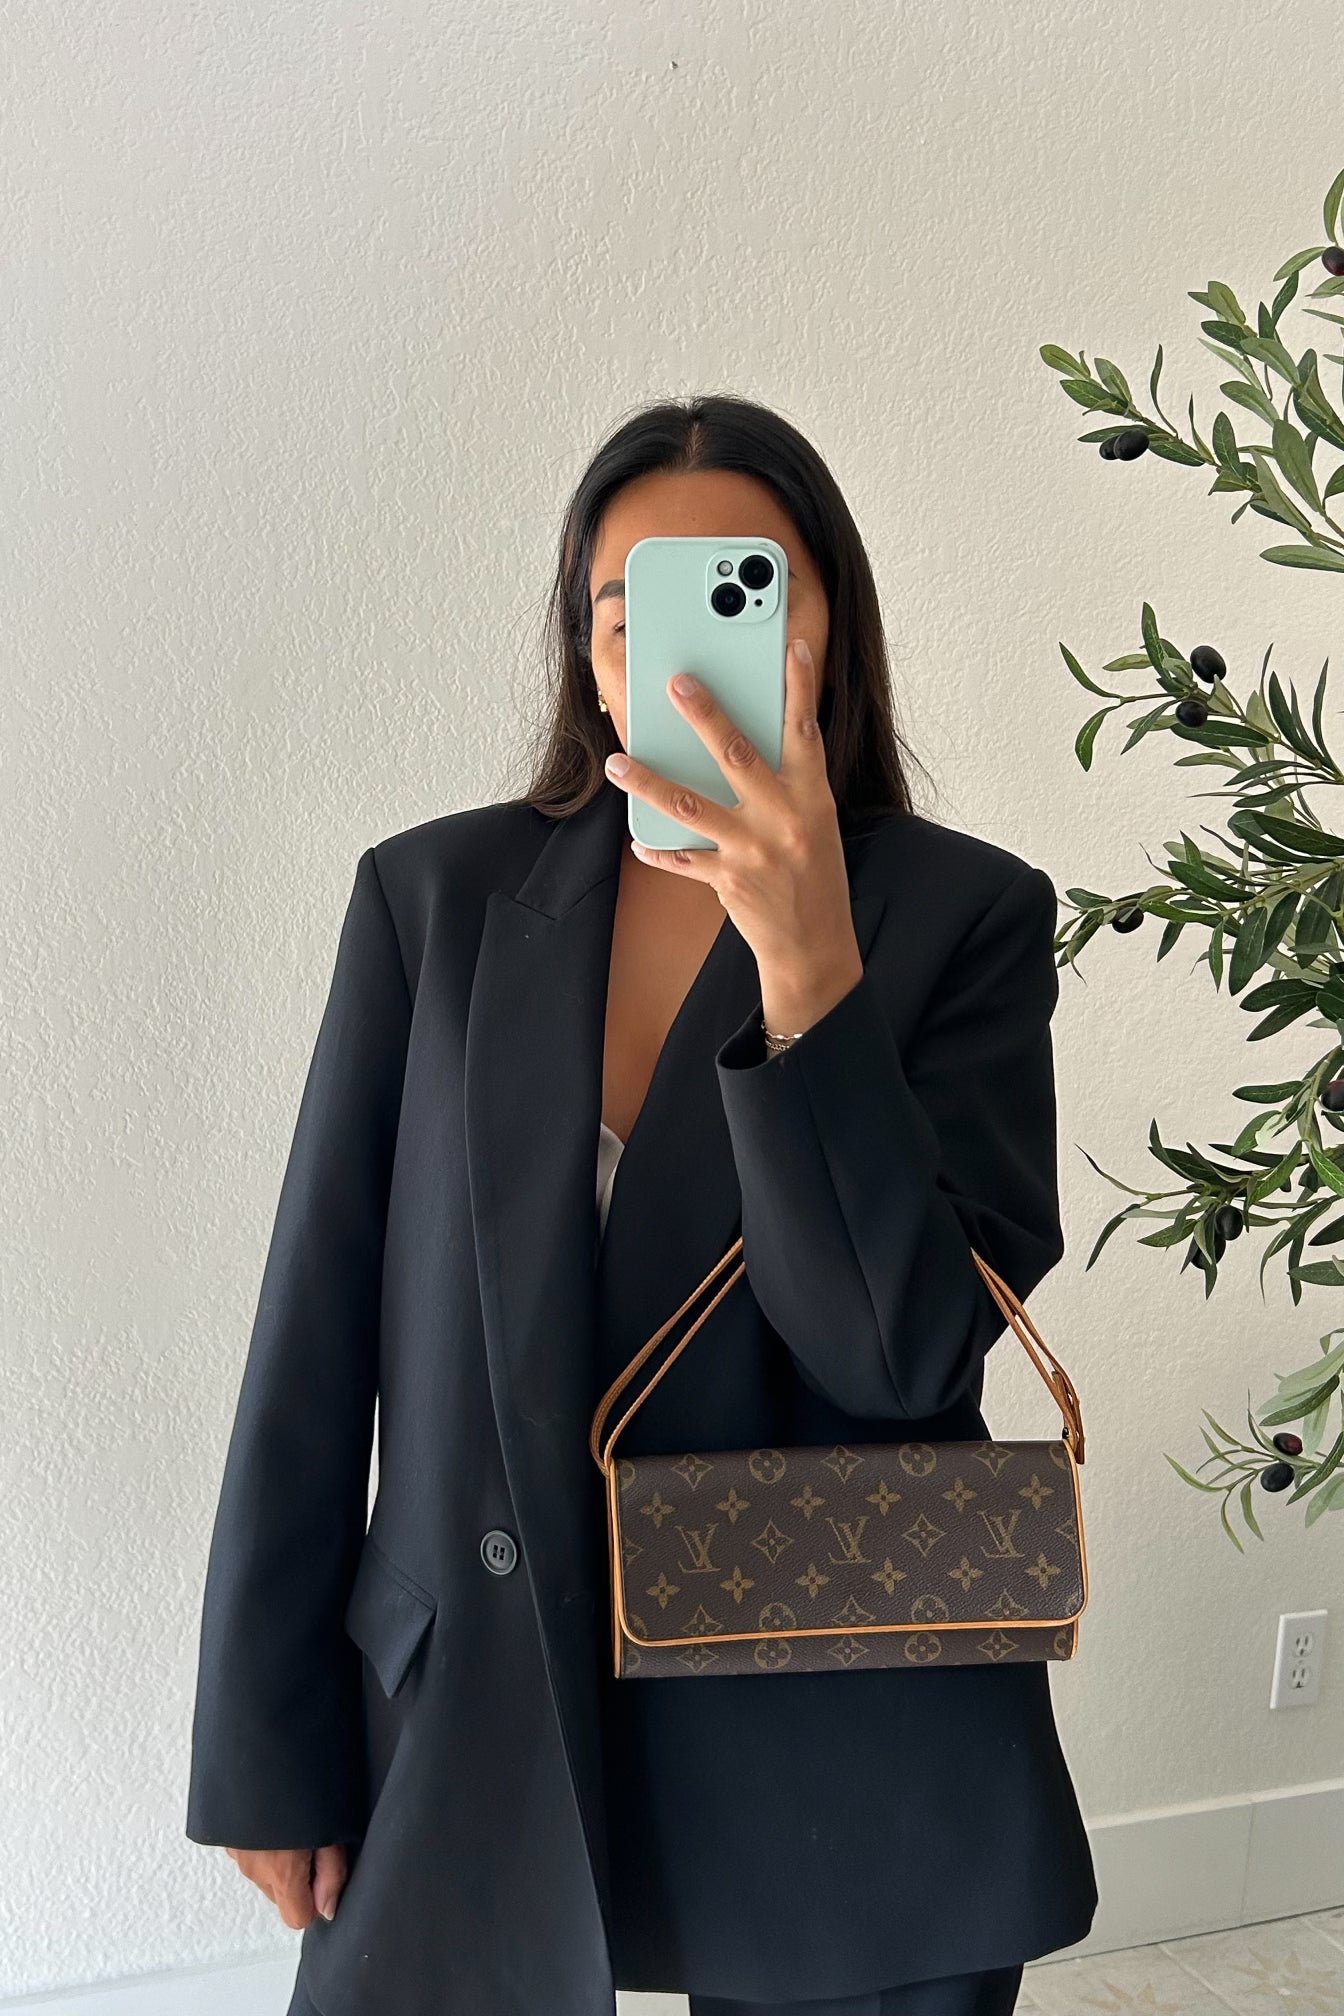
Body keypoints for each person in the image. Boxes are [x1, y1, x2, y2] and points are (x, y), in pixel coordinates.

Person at [186, 393, 1098, 2016]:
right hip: (475, 1704)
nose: (683, 664)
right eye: (631, 616)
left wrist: (809, 968)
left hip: (843, 1739)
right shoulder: (434, 903)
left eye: (747, 598)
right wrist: (264, 1741)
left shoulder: (966, 917)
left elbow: (898, 1360)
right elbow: (312, 1337)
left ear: (828, 631)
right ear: (591, 658)